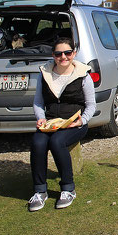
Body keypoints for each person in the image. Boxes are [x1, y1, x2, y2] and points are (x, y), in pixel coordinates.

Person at [28, 38, 96, 211]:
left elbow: (91, 105)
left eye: (67, 53)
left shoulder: (83, 75)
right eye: (58, 54)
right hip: (51, 122)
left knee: (57, 142)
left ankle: (68, 188)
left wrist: (82, 120)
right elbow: (38, 102)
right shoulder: (44, 74)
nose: (63, 57)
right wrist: (41, 118)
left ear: (73, 54)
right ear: (53, 55)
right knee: (37, 142)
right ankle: (40, 190)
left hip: (74, 123)